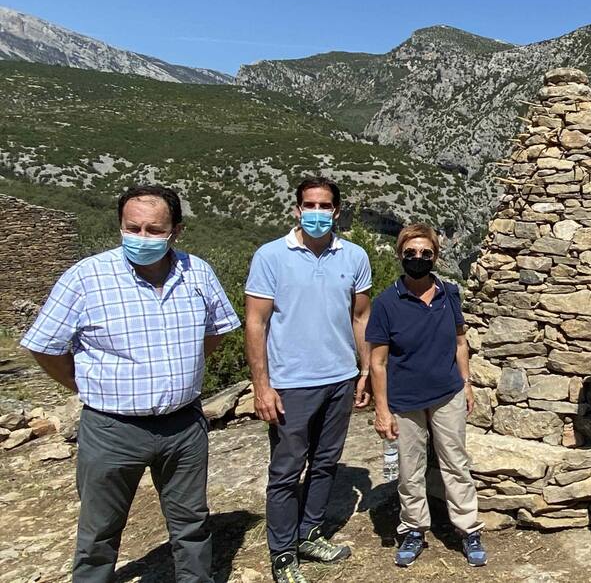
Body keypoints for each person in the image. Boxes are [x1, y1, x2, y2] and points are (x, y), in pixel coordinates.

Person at [20, 185, 240, 583]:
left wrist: (182, 369)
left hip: (183, 426)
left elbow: (216, 330)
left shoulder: (198, 272)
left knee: (191, 524)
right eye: (132, 228)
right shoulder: (86, 277)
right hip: (112, 429)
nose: (141, 237)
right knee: (98, 532)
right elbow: (45, 346)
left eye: (154, 230)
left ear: (176, 231)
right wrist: (80, 384)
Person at [244, 177, 373, 583]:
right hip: (290, 383)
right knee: (286, 469)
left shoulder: (354, 256)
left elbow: (361, 317)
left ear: (337, 211)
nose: (317, 213)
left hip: (341, 378)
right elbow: (256, 323)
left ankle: (309, 533)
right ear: (297, 209)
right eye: (310, 205)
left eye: (325, 206)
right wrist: (262, 386)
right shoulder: (270, 256)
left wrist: (365, 371)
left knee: (325, 462)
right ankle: (282, 553)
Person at [366, 223, 486, 568]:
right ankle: (414, 528)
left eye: (425, 253)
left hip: (447, 392)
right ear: (400, 255)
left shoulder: (449, 293)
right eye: (411, 253)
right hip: (405, 400)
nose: (417, 258)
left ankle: (468, 528)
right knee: (409, 468)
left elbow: (460, 342)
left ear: (435, 257)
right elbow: (378, 362)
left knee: (456, 462)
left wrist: (466, 383)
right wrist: (382, 410)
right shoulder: (386, 303)